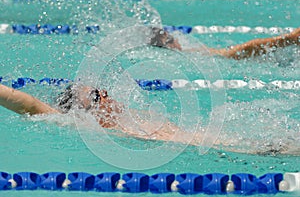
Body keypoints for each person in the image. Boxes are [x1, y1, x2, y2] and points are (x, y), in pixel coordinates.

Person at [0, 83, 298, 155]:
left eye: (101, 91)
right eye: (94, 98)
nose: (105, 97)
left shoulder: (135, 117)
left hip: (245, 144)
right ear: (83, 116)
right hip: (246, 151)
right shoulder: (100, 130)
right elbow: (27, 104)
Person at [149, 27, 300, 60]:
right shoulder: (185, 54)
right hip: (225, 57)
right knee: (236, 52)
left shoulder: (187, 52)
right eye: (170, 40)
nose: (176, 40)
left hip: (222, 56)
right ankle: (289, 39)